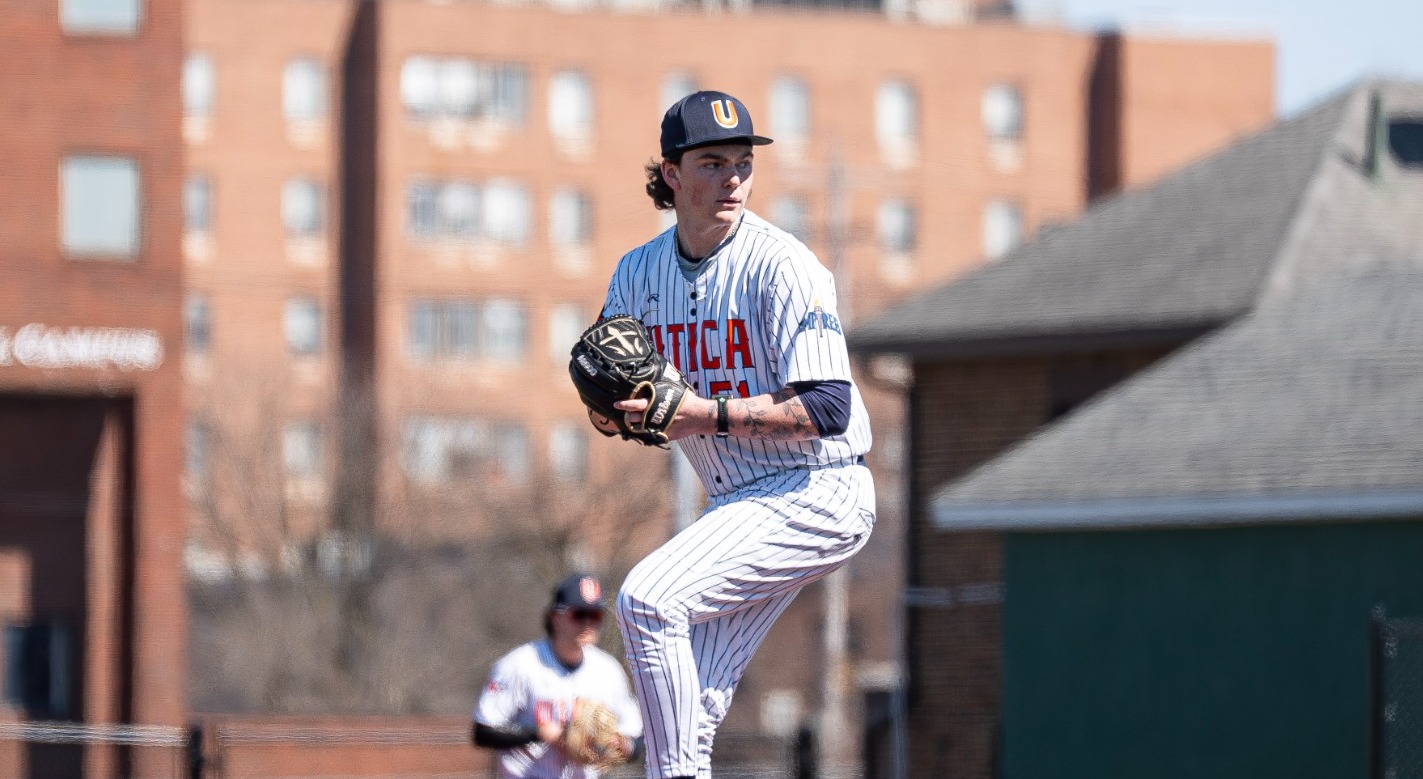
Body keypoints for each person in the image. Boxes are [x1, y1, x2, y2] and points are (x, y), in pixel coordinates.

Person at [594, 90, 875, 779]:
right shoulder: (637, 274)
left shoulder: (782, 264)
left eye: (742, 163)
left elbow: (829, 405)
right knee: (697, 699)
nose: (732, 179)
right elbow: (613, 388)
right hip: (738, 502)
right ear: (671, 174)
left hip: (818, 487)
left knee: (648, 599)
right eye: (712, 162)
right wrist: (609, 411)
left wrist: (699, 414)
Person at [473, 573, 644, 778]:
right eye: (579, 614)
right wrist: (537, 733)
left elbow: (637, 738)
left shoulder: (609, 670)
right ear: (555, 617)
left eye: (596, 615)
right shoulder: (519, 665)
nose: (588, 623)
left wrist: (623, 744)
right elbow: (483, 732)